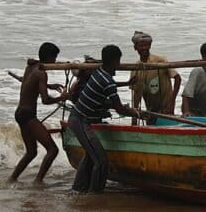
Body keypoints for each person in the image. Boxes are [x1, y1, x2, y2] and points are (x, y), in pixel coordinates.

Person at [69, 44, 142, 193]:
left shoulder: (99, 72)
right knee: (101, 161)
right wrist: (136, 113)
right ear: (115, 61)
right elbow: (119, 108)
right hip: (81, 121)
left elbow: (109, 86)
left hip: (77, 119)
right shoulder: (106, 81)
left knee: (90, 156)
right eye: (119, 61)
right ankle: (94, 194)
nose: (120, 65)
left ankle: (78, 189)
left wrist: (127, 84)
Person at [9, 42, 70, 184]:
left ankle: (12, 179)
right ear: (48, 57)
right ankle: (38, 181)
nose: (55, 61)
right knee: (53, 150)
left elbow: (30, 82)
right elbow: (45, 100)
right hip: (28, 116)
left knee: (31, 152)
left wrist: (50, 86)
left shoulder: (30, 67)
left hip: (20, 113)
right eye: (54, 58)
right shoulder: (41, 73)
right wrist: (62, 98)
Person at [130, 31, 181, 124]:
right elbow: (137, 94)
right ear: (135, 48)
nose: (144, 48)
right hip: (150, 111)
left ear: (150, 46)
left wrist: (171, 102)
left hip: (166, 109)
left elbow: (177, 78)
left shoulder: (160, 60)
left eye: (146, 45)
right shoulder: (135, 68)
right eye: (141, 46)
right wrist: (134, 117)